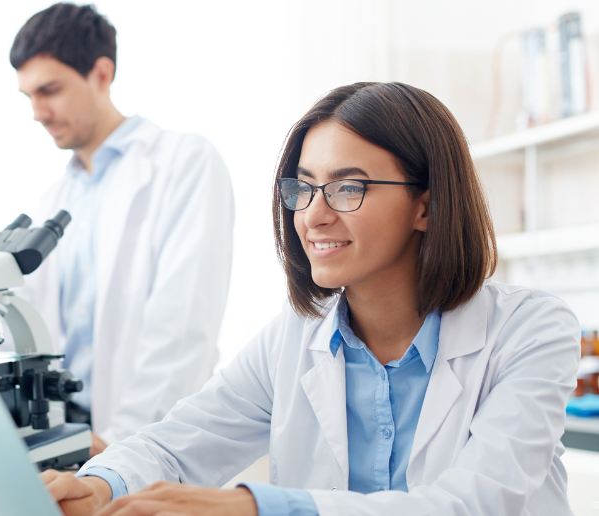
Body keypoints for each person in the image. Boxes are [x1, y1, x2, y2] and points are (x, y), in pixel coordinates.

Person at [40, 82, 580, 515]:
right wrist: (101, 486)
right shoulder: (295, 335)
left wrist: (253, 507)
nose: (314, 215)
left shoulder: (530, 331)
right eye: (302, 187)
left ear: (427, 207)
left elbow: (472, 504)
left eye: (349, 187)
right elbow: (177, 442)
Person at [9, 3, 236, 456]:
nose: (38, 111)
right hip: (68, 436)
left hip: (143, 436)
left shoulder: (184, 163)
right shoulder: (53, 199)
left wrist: (121, 443)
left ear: (101, 74)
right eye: (28, 96)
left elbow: (182, 325)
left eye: (49, 90)